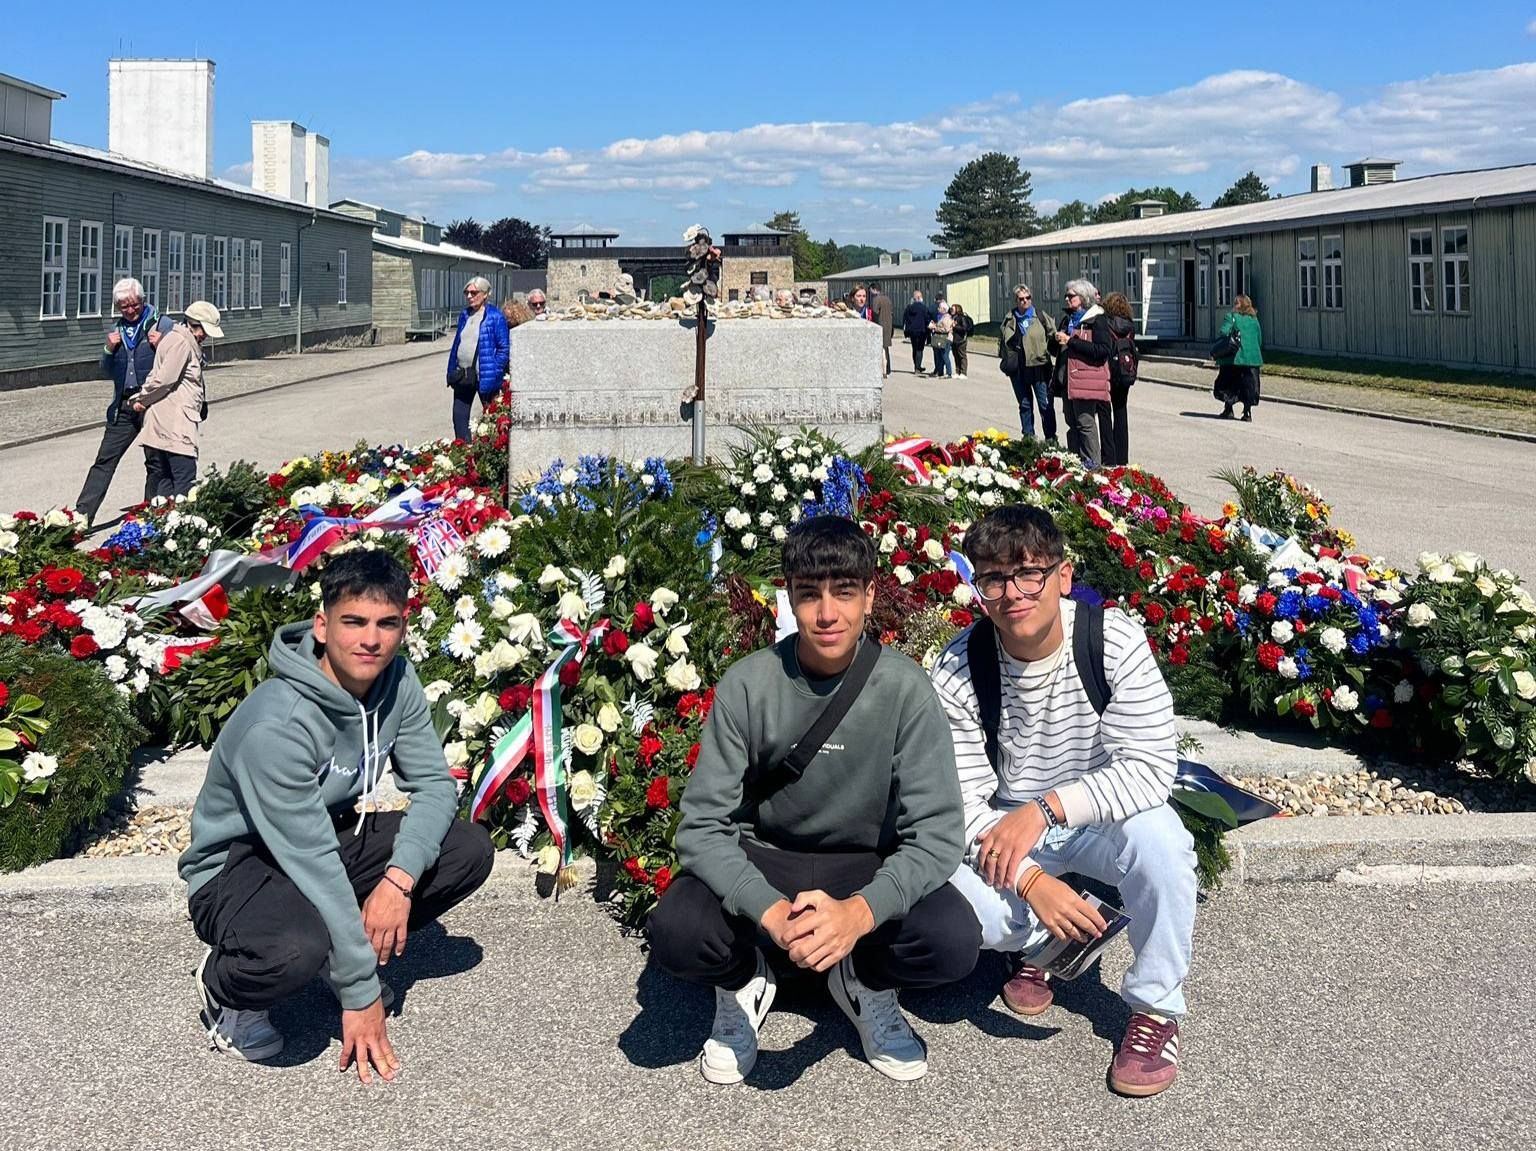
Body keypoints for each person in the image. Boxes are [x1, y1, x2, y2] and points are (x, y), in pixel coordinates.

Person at [648, 516, 979, 1085]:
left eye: (844, 592)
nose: (827, 613)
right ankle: (744, 978)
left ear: (870, 596)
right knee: (677, 930)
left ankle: (864, 979)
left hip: (862, 861)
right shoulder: (748, 684)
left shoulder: (905, 689)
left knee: (951, 939)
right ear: (790, 598)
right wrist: (771, 912)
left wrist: (860, 913)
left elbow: (937, 835)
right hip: (766, 855)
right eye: (809, 594)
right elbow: (702, 827)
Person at [178, 549, 495, 1079]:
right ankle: (224, 988)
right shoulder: (278, 725)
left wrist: (397, 882)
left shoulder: (397, 682)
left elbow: (436, 787)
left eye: (386, 623)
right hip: (236, 869)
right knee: (291, 950)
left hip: (326, 835)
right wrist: (361, 991)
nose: (371, 639)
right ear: (322, 626)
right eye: (354, 622)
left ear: (402, 627)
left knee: (466, 850)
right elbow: (316, 863)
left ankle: (336, 952)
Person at [929, 504, 1196, 1098]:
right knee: (963, 909)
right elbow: (956, 802)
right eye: (994, 579)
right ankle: (1045, 943)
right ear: (977, 588)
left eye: (1030, 574)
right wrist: (1030, 881)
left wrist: (1046, 809)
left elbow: (1151, 769)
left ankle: (1155, 1008)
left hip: (1096, 818)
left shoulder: (1111, 640)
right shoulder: (957, 667)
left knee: (1165, 845)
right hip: (1006, 829)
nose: (1013, 594)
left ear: (1063, 576)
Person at [73, 278, 173, 525]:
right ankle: (81, 517)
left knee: (155, 462)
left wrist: (163, 346)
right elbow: (106, 370)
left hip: (152, 403)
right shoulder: (116, 329)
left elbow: (185, 360)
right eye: (124, 306)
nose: (130, 310)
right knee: (104, 460)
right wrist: (108, 349)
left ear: (143, 300)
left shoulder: (163, 324)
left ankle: (153, 516)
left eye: (134, 305)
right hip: (124, 405)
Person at [132, 300, 221, 500]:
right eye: (203, 330)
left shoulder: (178, 340)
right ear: (192, 324)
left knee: (167, 481)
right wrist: (142, 399)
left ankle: (163, 516)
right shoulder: (181, 342)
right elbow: (163, 380)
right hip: (174, 424)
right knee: (184, 481)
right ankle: (178, 517)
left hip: (171, 422)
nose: (205, 336)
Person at [1051, 280, 1113, 468]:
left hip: (1085, 381)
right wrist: (1055, 340)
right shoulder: (1068, 320)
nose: (1067, 299)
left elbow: (1102, 350)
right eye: (1066, 295)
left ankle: (1093, 467)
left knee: (1085, 424)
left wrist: (1071, 341)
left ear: (1083, 297)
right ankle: (1076, 463)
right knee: (1072, 424)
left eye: (1071, 296)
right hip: (1067, 380)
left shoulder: (1097, 320)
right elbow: (1056, 350)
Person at [446, 276, 511, 441]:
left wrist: (495, 369)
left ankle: (490, 450)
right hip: (463, 375)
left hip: (486, 376)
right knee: (459, 418)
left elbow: (504, 348)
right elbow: (457, 343)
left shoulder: (495, 317)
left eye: (473, 293)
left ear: (485, 294)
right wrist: (452, 369)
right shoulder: (464, 315)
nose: (469, 296)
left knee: (492, 419)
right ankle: (464, 450)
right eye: (466, 293)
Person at [998, 285, 1058, 443]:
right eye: (1021, 299)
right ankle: (1028, 438)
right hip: (1019, 368)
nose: (1025, 301)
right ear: (1016, 300)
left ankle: (1051, 439)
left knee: (1045, 405)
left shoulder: (1040, 316)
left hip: (1039, 366)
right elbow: (1004, 341)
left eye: (1027, 298)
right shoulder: (1010, 318)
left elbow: (1053, 335)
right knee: (1024, 405)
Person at [1100, 291, 1139, 466]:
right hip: (1125, 372)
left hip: (1110, 370)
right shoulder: (1130, 326)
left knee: (1105, 412)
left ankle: (1109, 455)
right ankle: (1122, 457)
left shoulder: (1106, 323)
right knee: (1121, 411)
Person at [1214, 294, 1262, 421]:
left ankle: (1228, 409)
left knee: (1229, 383)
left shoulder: (1231, 317)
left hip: (1235, 358)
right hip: (1252, 358)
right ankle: (1247, 413)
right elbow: (1259, 339)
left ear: (1238, 305)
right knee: (1249, 386)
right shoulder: (1254, 320)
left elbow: (1223, 332)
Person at [902, 290, 932, 374]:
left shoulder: (908, 308)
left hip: (912, 331)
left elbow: (905, 319)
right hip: (922, 331)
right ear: (919, 297)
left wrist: (906, 330)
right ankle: (918, 367)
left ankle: (916, 366)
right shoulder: (923, 307)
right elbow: (927, 319)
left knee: (914, 348)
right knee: (920, 349)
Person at [869, 282, 894, 377]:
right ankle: (888, 368)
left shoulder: (876, 299)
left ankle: (883, 369)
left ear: (875, 290)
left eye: (871, 290)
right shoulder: (887, 299)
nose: (870, 292)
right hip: (888, 325)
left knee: (880, 348)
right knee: (886, 348)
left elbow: (875, 313)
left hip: (880, 325)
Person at [928, 300, 954, 379]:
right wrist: (935, 325)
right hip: (940, 338)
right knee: (939, 355)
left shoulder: (947, 318)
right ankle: (940, 372)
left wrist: (935, 328)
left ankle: (949, 373)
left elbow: (946, 329)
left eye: (939, 308)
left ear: (944, 309)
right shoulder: (942, 317)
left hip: (945, 338)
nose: (938, 309)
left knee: (945, 355)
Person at [948, 302, 973, 380]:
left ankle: (963, 372)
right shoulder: (952, 317)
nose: (951, 310)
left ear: (957, 309)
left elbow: (964, 328)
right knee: (956, 356)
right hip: (954, 339)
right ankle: (957, 372)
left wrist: (955, 326)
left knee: (962, 356)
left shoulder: (961, 318)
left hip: (961, 339)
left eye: (953, 309)